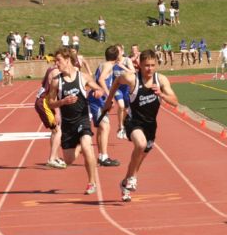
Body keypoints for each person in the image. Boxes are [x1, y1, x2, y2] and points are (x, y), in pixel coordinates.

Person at [103, 49, 178, 202]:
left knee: (139, 158)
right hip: (133, 121)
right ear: (139, 65)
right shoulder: (132, 79)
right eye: (146, 66)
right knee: (141, 144)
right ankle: (131, 178)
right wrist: (109, 100)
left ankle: (126, 181)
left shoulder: (161, 80)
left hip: (151, 125)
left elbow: (175, 102)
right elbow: (117, 81)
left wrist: (161, 94)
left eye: (152, 65)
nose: (149, 69)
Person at [48, 46, 105, 194]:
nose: (56, 64)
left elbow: (98, 88)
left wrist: (98, 92)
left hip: (82, 118)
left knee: (87, 145)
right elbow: (50, 102)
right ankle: (78, 145)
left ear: (67, 60)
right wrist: (62, 102)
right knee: (68, 160)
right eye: (55, 61)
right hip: (68, 124)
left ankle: (92, 182)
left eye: (58, 60)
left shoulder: (83, 77)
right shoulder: (56, 81)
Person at [88, 45, 121, 167]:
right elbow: (101, 80)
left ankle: (102, 156)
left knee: (102, 128)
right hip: (98, 100)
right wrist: (109, 96)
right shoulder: (108, 66)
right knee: (105, 127)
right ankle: (104, 157)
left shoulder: (103, 64)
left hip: (99, 99)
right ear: (116, 56)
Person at [34, 59, 65, 168]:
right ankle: (52, 158)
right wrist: (57, 113)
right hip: (44, 102)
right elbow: (53, 92)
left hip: (43, 101)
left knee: (55, 130)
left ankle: (55, 157)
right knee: (58, 130)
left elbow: (43, 84)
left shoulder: (51, 69)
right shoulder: (56, 72)